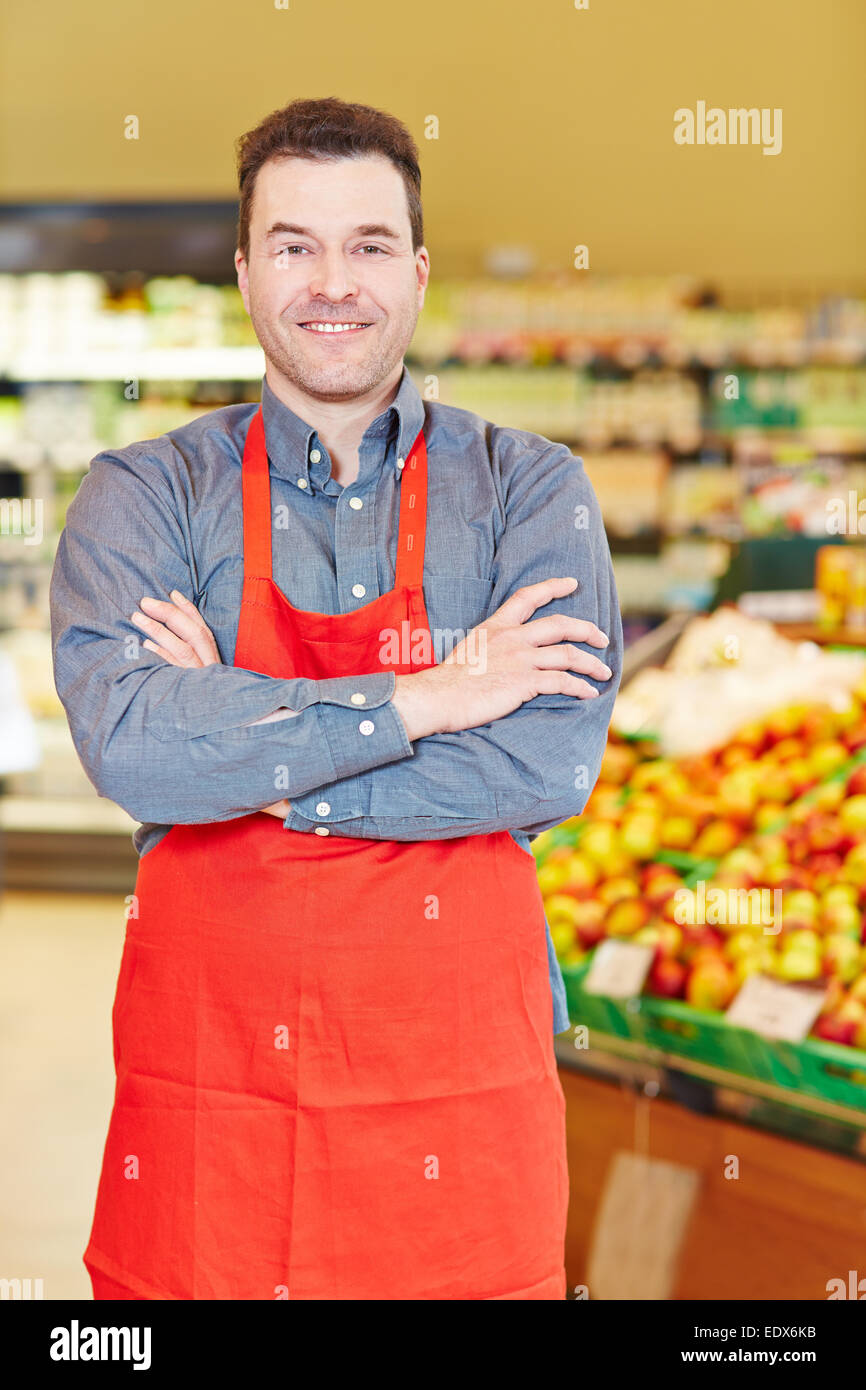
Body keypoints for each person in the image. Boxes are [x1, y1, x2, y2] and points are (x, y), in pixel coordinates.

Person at [50, 96, 622, 1301]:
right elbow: (134, 753)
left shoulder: (532, 490)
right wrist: (422, 702)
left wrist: (236, 744)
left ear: (415, 273)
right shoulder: (143, 494)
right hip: (213, 1102)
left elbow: (542, 765)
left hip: (454, 1094)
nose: (333, 282)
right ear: (247, 270)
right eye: (294, 245)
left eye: (367, 245)